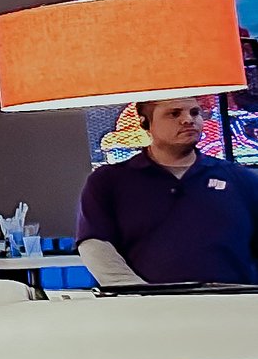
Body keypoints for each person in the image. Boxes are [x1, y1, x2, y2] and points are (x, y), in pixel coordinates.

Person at [77, 96, 258, 286]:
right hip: (147, 308)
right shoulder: (108, 181)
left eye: (195, 112)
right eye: (174, 113)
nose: (189, 120)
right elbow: (96, 245)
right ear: (145, 122)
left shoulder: (241, 179)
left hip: (235, 306)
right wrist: (138, 294)